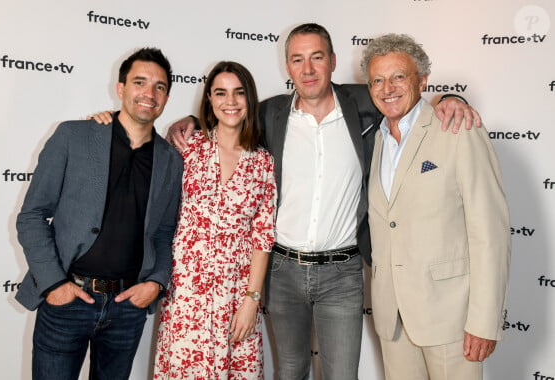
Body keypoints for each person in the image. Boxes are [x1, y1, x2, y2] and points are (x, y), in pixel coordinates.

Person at [167, 23, 482, 379]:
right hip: (283, 271)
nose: (308, 69)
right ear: (287, 67)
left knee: (342, 373)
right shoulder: (269, 114)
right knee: (290, 370)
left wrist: (452, 100)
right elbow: (228, 117)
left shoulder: (366, 102)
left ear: (332, 61)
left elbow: (405, 96)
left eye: (317, 57)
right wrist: (190, 119)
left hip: (342, 273)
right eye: (297, 60)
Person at [15, 48, 183, 380]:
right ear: (121, 89)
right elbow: (32, 215)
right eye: (140, 82)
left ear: (166, 97)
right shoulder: (72, 136)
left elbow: (164, 233)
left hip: (127, 308)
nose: (149, 94)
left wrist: (155, 282)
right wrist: (54, 285)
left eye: (160, 87)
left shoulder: (171, 160)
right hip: (67, 300)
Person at [361, 33, 510, 380]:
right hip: (393, 318)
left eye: (399, 77)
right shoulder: (376, 137)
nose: (388, 88)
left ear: (422, 80)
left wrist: (485, 320)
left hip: (450, 317)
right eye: (378, 80)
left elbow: (490, 233)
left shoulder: (458, 129)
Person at [146, 61, 275, 379]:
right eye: (221, 93)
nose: (230, 102)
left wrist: (251, 302)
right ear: (209, 100)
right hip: (189, 294)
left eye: (238, 93)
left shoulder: (262, 161)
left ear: (250, 99)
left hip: (237, 294)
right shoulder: (187, 147)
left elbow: (263, 235)